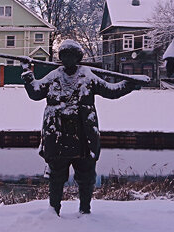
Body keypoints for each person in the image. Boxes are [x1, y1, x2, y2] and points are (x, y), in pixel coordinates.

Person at [22, 39, 143, 215]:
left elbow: (111, 91)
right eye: (64, 55)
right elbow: (35, 92)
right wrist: (27, 74)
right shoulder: (54, 76)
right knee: (56, 178)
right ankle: (53, 211)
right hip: (58, 138)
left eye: (71, 55)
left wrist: (129, 84)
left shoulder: (87, 76)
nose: (67, 59)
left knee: (86, 177)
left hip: (83, 139)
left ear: (78, 57)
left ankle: (85, 210)